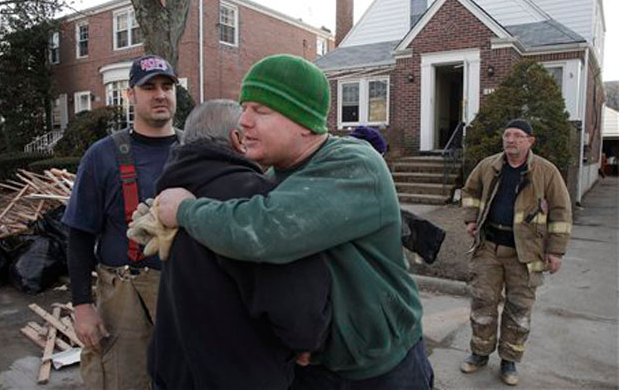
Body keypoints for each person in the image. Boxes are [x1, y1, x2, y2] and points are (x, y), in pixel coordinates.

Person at [155, 54, 433, 389]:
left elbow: (265, 231)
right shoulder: (274, 176)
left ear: (303, 121)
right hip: (314, 369)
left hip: (382, 369)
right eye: (245, 108)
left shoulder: (354, 164)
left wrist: (187, 210)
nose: (243, 121)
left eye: (261, 110)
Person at [142, 99, 331, 389]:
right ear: (237, 139)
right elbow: (294, 294)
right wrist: (306, 341)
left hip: (172, 373)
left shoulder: (170, 197)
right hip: (240, 376)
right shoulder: (255, 199)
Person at [62, 54, 182, 389]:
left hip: (187, 289)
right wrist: (83, 306)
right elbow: (80, 236)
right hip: (124, 294)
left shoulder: (196, 149)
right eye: (149, 87)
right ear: (131, 95)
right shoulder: (102, 156)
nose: (160, 94)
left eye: (167, 86)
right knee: (121, 379)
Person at [459, 119, 572, 386]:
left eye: (517, 136)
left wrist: (556, 251)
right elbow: (470, 190)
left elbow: (561, 212)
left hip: (525, 254)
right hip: (488, 248)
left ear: (530, 141)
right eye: (507, 134)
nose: (510, 139)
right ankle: (479, 353)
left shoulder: (547, 172)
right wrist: (470, 218)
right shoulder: (488, 166)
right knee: (482, 303)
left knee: (519, 309)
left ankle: (509, 361)